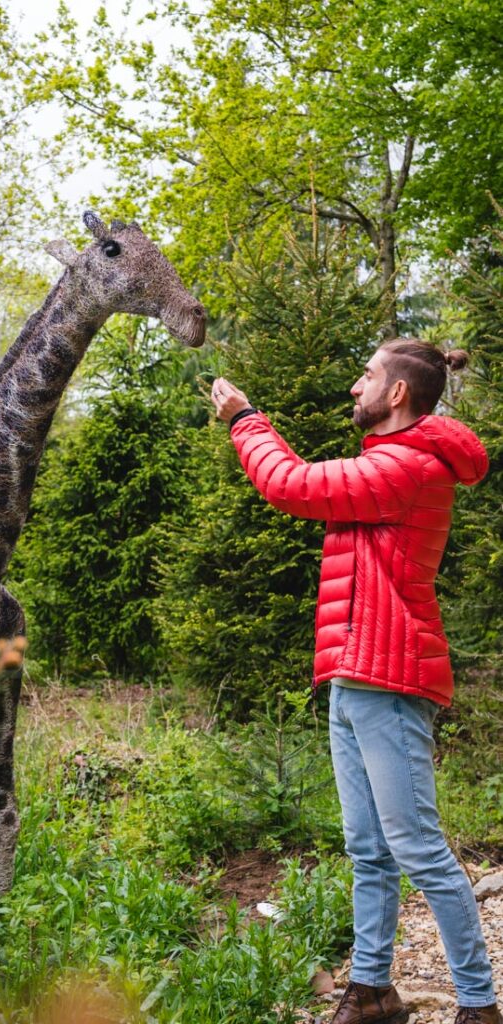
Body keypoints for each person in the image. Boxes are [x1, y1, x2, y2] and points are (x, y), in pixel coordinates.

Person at [210, 338, 500, 1024]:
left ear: (396, 393)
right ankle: (371, 991)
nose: (353, 387)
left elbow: (290, 484)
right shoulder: (386, 463)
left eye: (365, 376)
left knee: (417, 849)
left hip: (390, 678)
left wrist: (243, 417)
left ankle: (480, 1003)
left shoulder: (405, 468)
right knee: (367, 848)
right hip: (354, 675)